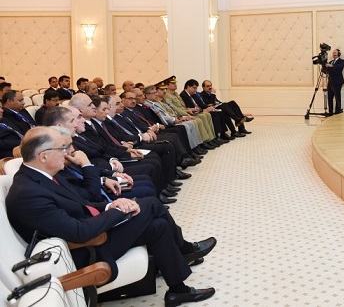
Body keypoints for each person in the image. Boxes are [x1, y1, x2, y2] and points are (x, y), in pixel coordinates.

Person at [5, 126, 217, 306]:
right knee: (151, 204)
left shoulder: (40, 177)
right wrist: (118, 211)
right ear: (43, 156)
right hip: (84, 250)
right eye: (62, 148)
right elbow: (79, 233)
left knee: (158, 225)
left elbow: (83, 203)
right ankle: (185, 249)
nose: (68, 153)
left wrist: (110, 205)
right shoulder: (28, 193)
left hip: (90, 233)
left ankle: (178, 289)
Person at [325, 48, 344, 115]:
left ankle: (337, 111)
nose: (334, 53)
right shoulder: (330, 62)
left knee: (337, 96)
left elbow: (339, 67)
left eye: (335, 52)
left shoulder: (342, 61)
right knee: (329, 97)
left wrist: (331, 66)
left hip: (338, 82)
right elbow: (327, 72)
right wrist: (324, 67)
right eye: (333, 52)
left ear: (339, 54)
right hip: (330, 82)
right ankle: (330, 112)